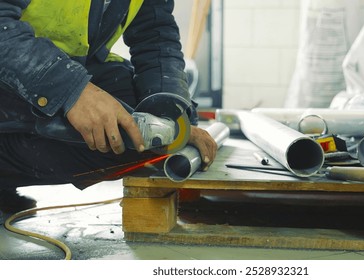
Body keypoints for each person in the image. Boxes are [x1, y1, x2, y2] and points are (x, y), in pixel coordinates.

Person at [0, 0, 218, 213]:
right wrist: (72, 91)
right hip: (13, 65)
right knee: (120, 136)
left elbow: (154, 32)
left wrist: (168, 115)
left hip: (65, 63)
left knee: (136, 137)